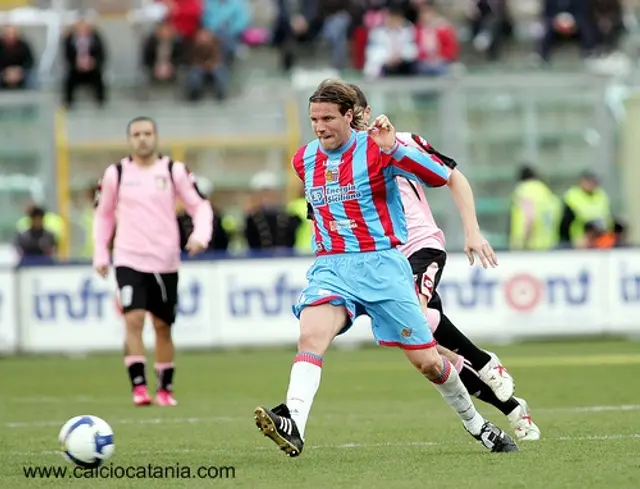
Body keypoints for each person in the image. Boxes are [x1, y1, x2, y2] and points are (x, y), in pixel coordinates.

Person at [253, 79, 518, 457]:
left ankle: (479, 426)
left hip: (382, 266)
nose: (320, 126)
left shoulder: (379, 149)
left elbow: (439, 176)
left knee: (428, 363)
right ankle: (293, 421)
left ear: (350, 115)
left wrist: (393, 148)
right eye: (314, 119)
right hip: (332, 267)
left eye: (328, 118)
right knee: (310, 336)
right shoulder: (304, 159)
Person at [349, 84, 541, 441]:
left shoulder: (399, 142)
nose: (352, 121)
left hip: (419, 247)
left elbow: (453, 176)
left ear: (363, 111)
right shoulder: (335, 163)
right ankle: (511, 405)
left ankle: (484, 363)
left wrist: (472, 231)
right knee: (426, 348)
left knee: (418, 321)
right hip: (381, 262)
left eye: (354, 112)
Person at [93, 116, 213, 407]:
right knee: (132, 318)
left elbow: (200, 206)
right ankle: (138, 387)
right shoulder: (116, 173)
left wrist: (201, 236)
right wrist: (100, 251)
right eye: (136, 134)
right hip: (128, 257)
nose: (142, 139)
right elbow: (103, 214)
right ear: (129, 139)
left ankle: (164, 388)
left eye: (147, 133)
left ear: (156, 136)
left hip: (165, 259)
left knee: (162, 325)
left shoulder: (174, 170)